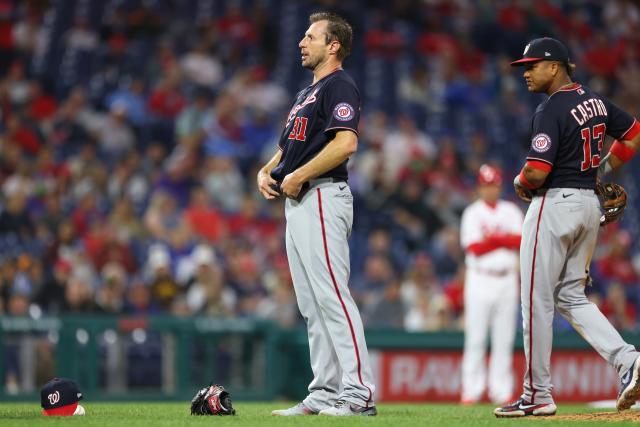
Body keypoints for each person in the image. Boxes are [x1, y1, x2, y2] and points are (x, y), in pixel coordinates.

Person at [495, 37, 640, 418]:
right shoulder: (594, 101)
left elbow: (537, 170)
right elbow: (634, 133)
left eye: (532, 65)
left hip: (554, 205)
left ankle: (536, 393)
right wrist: (601, 170)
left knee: (535, 301)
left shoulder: (551, 108)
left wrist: (519, 183)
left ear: (555, 66)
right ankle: (628, 360)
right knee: (570, 296)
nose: (525, 72)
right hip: (588, 207)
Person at [256, 12, 376, 417]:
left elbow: (345, 144)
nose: (302, 42)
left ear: (334, 45)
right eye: (304, 35)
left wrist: (299, 174)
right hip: (301, 200)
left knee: (332, 297)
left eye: (312, 37)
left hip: (322, 195)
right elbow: (289, 147)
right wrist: (268, 170)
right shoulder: (306, 93)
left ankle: (358, 392)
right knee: (311, 304)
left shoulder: (340, 84)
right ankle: (324, 392)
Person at [460, 164, 523, 405]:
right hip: (480, 278)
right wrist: (503, 240)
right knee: (475, 339)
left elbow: (520, 240)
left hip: (507, 278)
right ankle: (471, 392)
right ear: (479, 187)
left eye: (493, 184)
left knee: (504, 340)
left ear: (499, 185)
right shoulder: (472, 213)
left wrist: (493, 239)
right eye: (486, 185)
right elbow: (473, 247)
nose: (490, 189)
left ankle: (501, 391)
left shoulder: (511, 211)